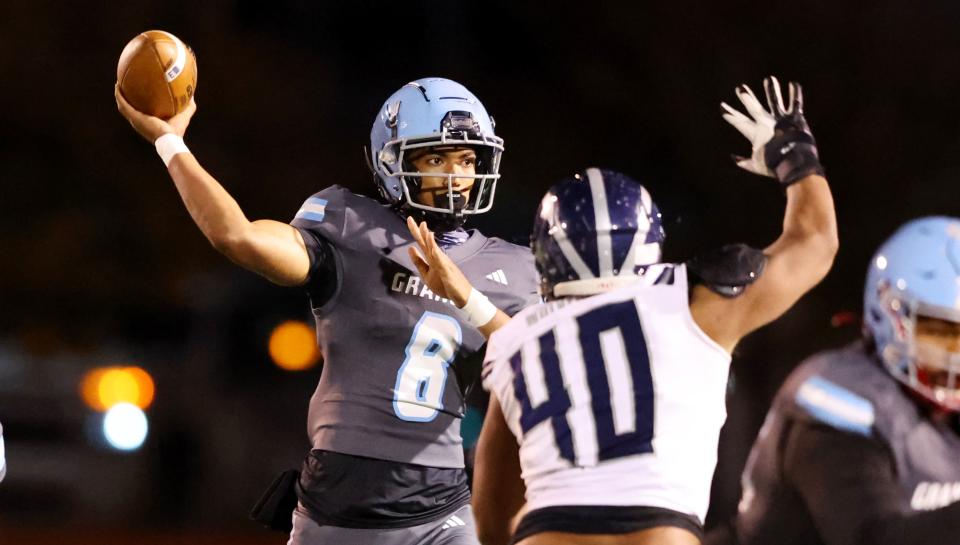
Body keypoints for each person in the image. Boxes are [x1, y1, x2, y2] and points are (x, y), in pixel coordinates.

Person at [405, 76, 838, 545]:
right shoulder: (695, 302)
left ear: (546, 256)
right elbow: (815, 241)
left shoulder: (516, 340)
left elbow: (491, 515)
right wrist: (794, 153)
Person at [115, 77, 540, 545]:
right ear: (392, 161)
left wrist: (466, 297)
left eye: (466, 159)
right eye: (436, 157)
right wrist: (170, 141)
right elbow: (238, 236)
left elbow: (544, 367)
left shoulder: (514, 268)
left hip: (442, 510)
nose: (456, 175)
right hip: (337, 503)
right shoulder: (349, 225)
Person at [706, 216, 960, 545]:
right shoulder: (841, 404)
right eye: (943, 336)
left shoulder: (945, 415)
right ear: (891, 316)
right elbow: (873, 538)